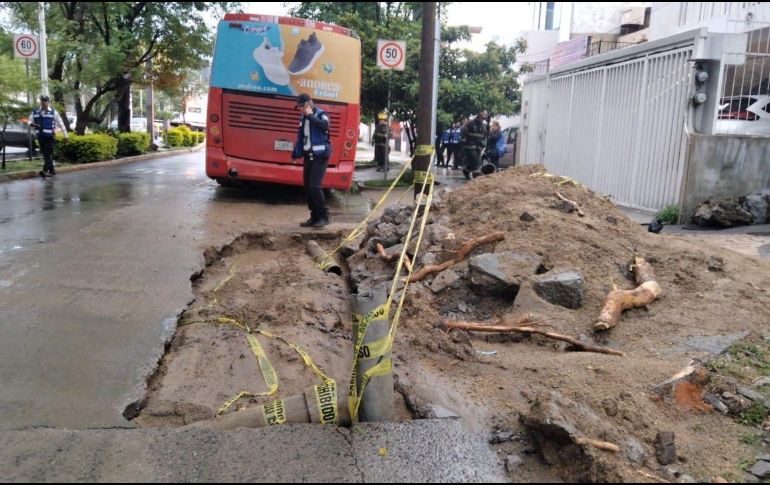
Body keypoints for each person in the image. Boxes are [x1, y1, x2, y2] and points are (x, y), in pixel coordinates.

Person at [292, 93, 332, 229]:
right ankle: (314, 217)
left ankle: (324, 217)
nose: (300, 110)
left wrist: (310, 116)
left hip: (320, 156)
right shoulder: (303, 118)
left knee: (315, 186)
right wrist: (296, 152)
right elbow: (302, 137)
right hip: (308, 156)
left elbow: (325, 126)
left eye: (302, 107)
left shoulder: (321, 114)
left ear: (308, 104)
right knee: (308, 188)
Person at [29, 95, 68, 178]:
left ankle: (44, 170)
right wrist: (31, 124)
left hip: (50, 137)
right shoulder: (35, 112)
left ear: (48, 102)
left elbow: (61, 124)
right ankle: (52, 171)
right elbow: (29, 121)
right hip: (40, 137)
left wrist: (66, 136)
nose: (44, 103)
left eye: (45, 102)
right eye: (42, 101)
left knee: (48, 153)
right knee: (46, 154)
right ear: (40, 102)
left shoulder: (54, 112)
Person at [462, 110, 487, 180]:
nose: (482, 120)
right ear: (478, 117)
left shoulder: (483, 126)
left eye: (484, 119)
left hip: (479, 146)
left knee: (473, 161)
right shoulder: (470, 123)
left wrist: (483, 144)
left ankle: (466, 170)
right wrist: (464, 143)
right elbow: (463, 133)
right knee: (476, 160)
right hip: (469, 146)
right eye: (481, 118)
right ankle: (476, 175)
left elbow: (484, 137)